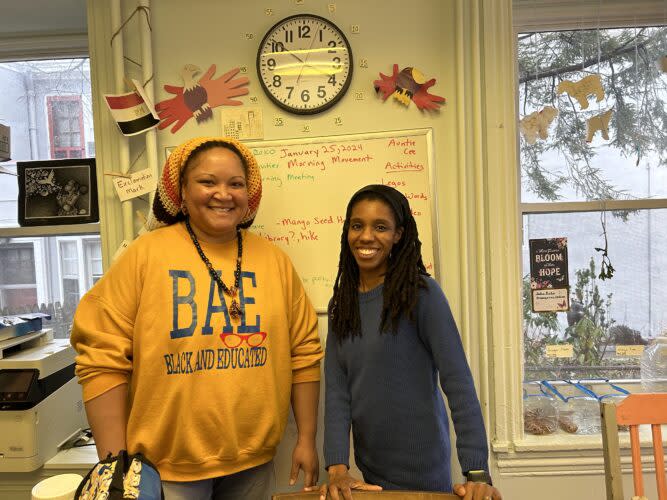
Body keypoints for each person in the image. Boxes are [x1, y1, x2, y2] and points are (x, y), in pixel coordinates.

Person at [70, 136, 323, 500]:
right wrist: (116, 467)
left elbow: (304, 353)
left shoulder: (274, 261)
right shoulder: (145, 256)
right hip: (166, 467)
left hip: (253, 461)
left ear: (249, 195)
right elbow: (100, 355)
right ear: (182, 193)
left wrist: (307, 439)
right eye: (208, 182)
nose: (223, 193)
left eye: (235, 184)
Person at [321, 185, 502, 500]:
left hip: (425, 473)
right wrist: (337, 466)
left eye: (381, 227)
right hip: (370, 473)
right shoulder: (342, 304)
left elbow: (458, 382)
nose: (366, 236)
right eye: (357, 225)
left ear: (398, 235)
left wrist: (476, 472)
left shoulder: (420, 294)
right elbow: (338, 393)